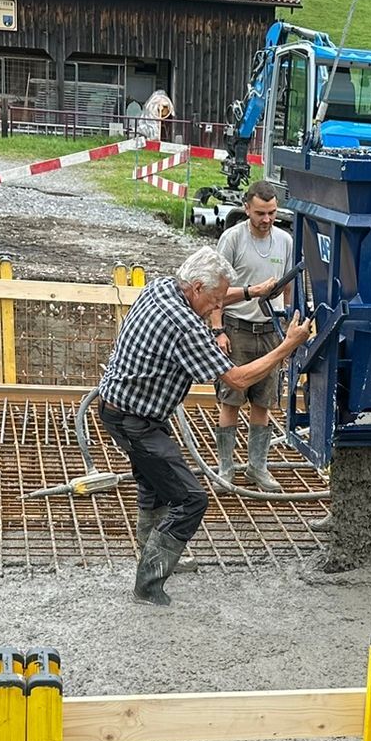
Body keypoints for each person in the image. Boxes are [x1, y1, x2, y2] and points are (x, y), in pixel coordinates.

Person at [95, 247, 312, 606]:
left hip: (124, 408)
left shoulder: (163, 287)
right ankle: (148, 585)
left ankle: (150, 556)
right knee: (191, 499)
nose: (216, 310)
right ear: (195, 288)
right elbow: (238, 379)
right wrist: (287, 346)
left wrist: (249, 292)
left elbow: (215, 293)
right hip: (134, 421)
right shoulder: (185, 327)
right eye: (213, 301)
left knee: (154, 486)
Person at [213, 181, 298, 491]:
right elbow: (216, 291)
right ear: (247, 208)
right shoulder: (232, 240)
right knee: (231, 400)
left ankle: (257, 467)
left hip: (269, 332)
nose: (267, 219)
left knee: (263, 402)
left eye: (272, 213)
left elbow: (289, 286)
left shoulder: (285, 241)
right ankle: (226, 468)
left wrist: (290, 323)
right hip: (237, 329)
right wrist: (219, 329)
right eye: (260, 213)